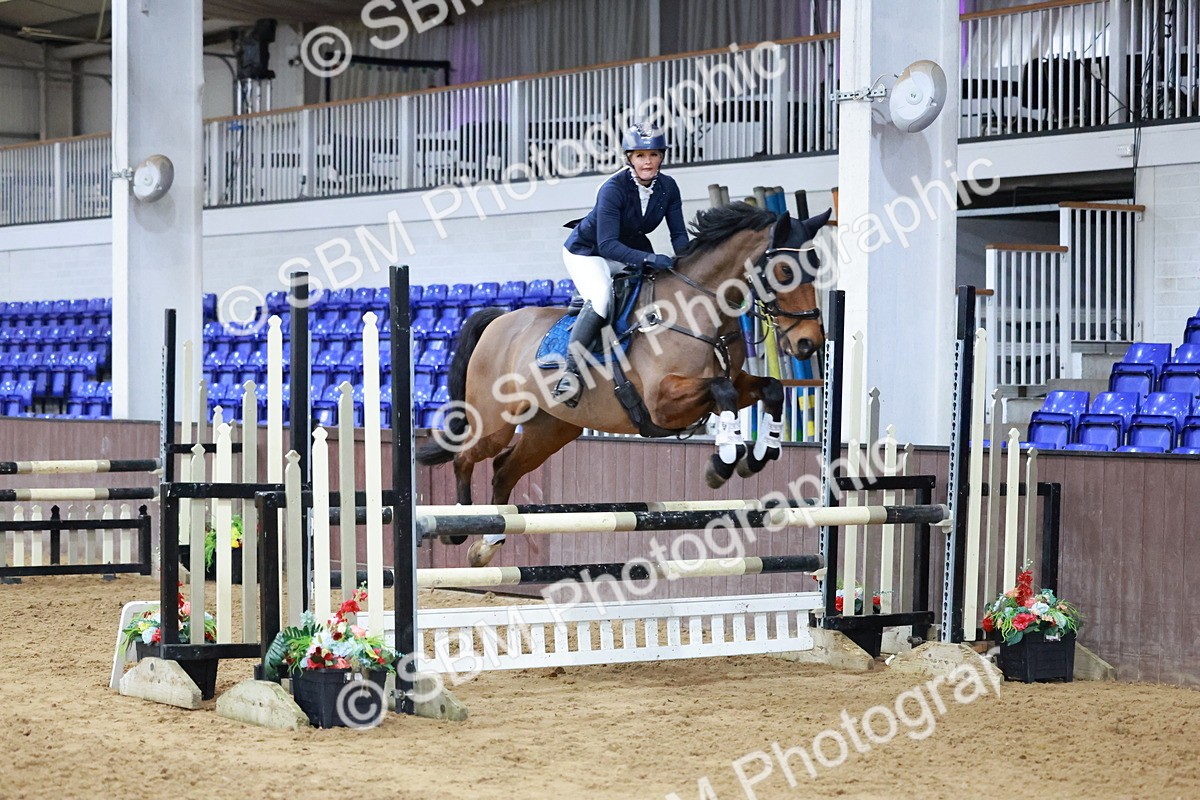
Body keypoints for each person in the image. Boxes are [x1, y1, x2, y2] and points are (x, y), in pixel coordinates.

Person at [554, 123, 690, 406]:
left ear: (661, 157)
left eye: (653, 154)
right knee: (602, 297)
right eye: (640, 155)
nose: (648, 161)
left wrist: (687, 266)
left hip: (629, 248)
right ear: (629, 158)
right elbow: (607, 245)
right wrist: (651, 258)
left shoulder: (668, 187)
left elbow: (678, 234)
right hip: (588, 251)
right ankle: (570, 372)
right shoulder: (613, 188)